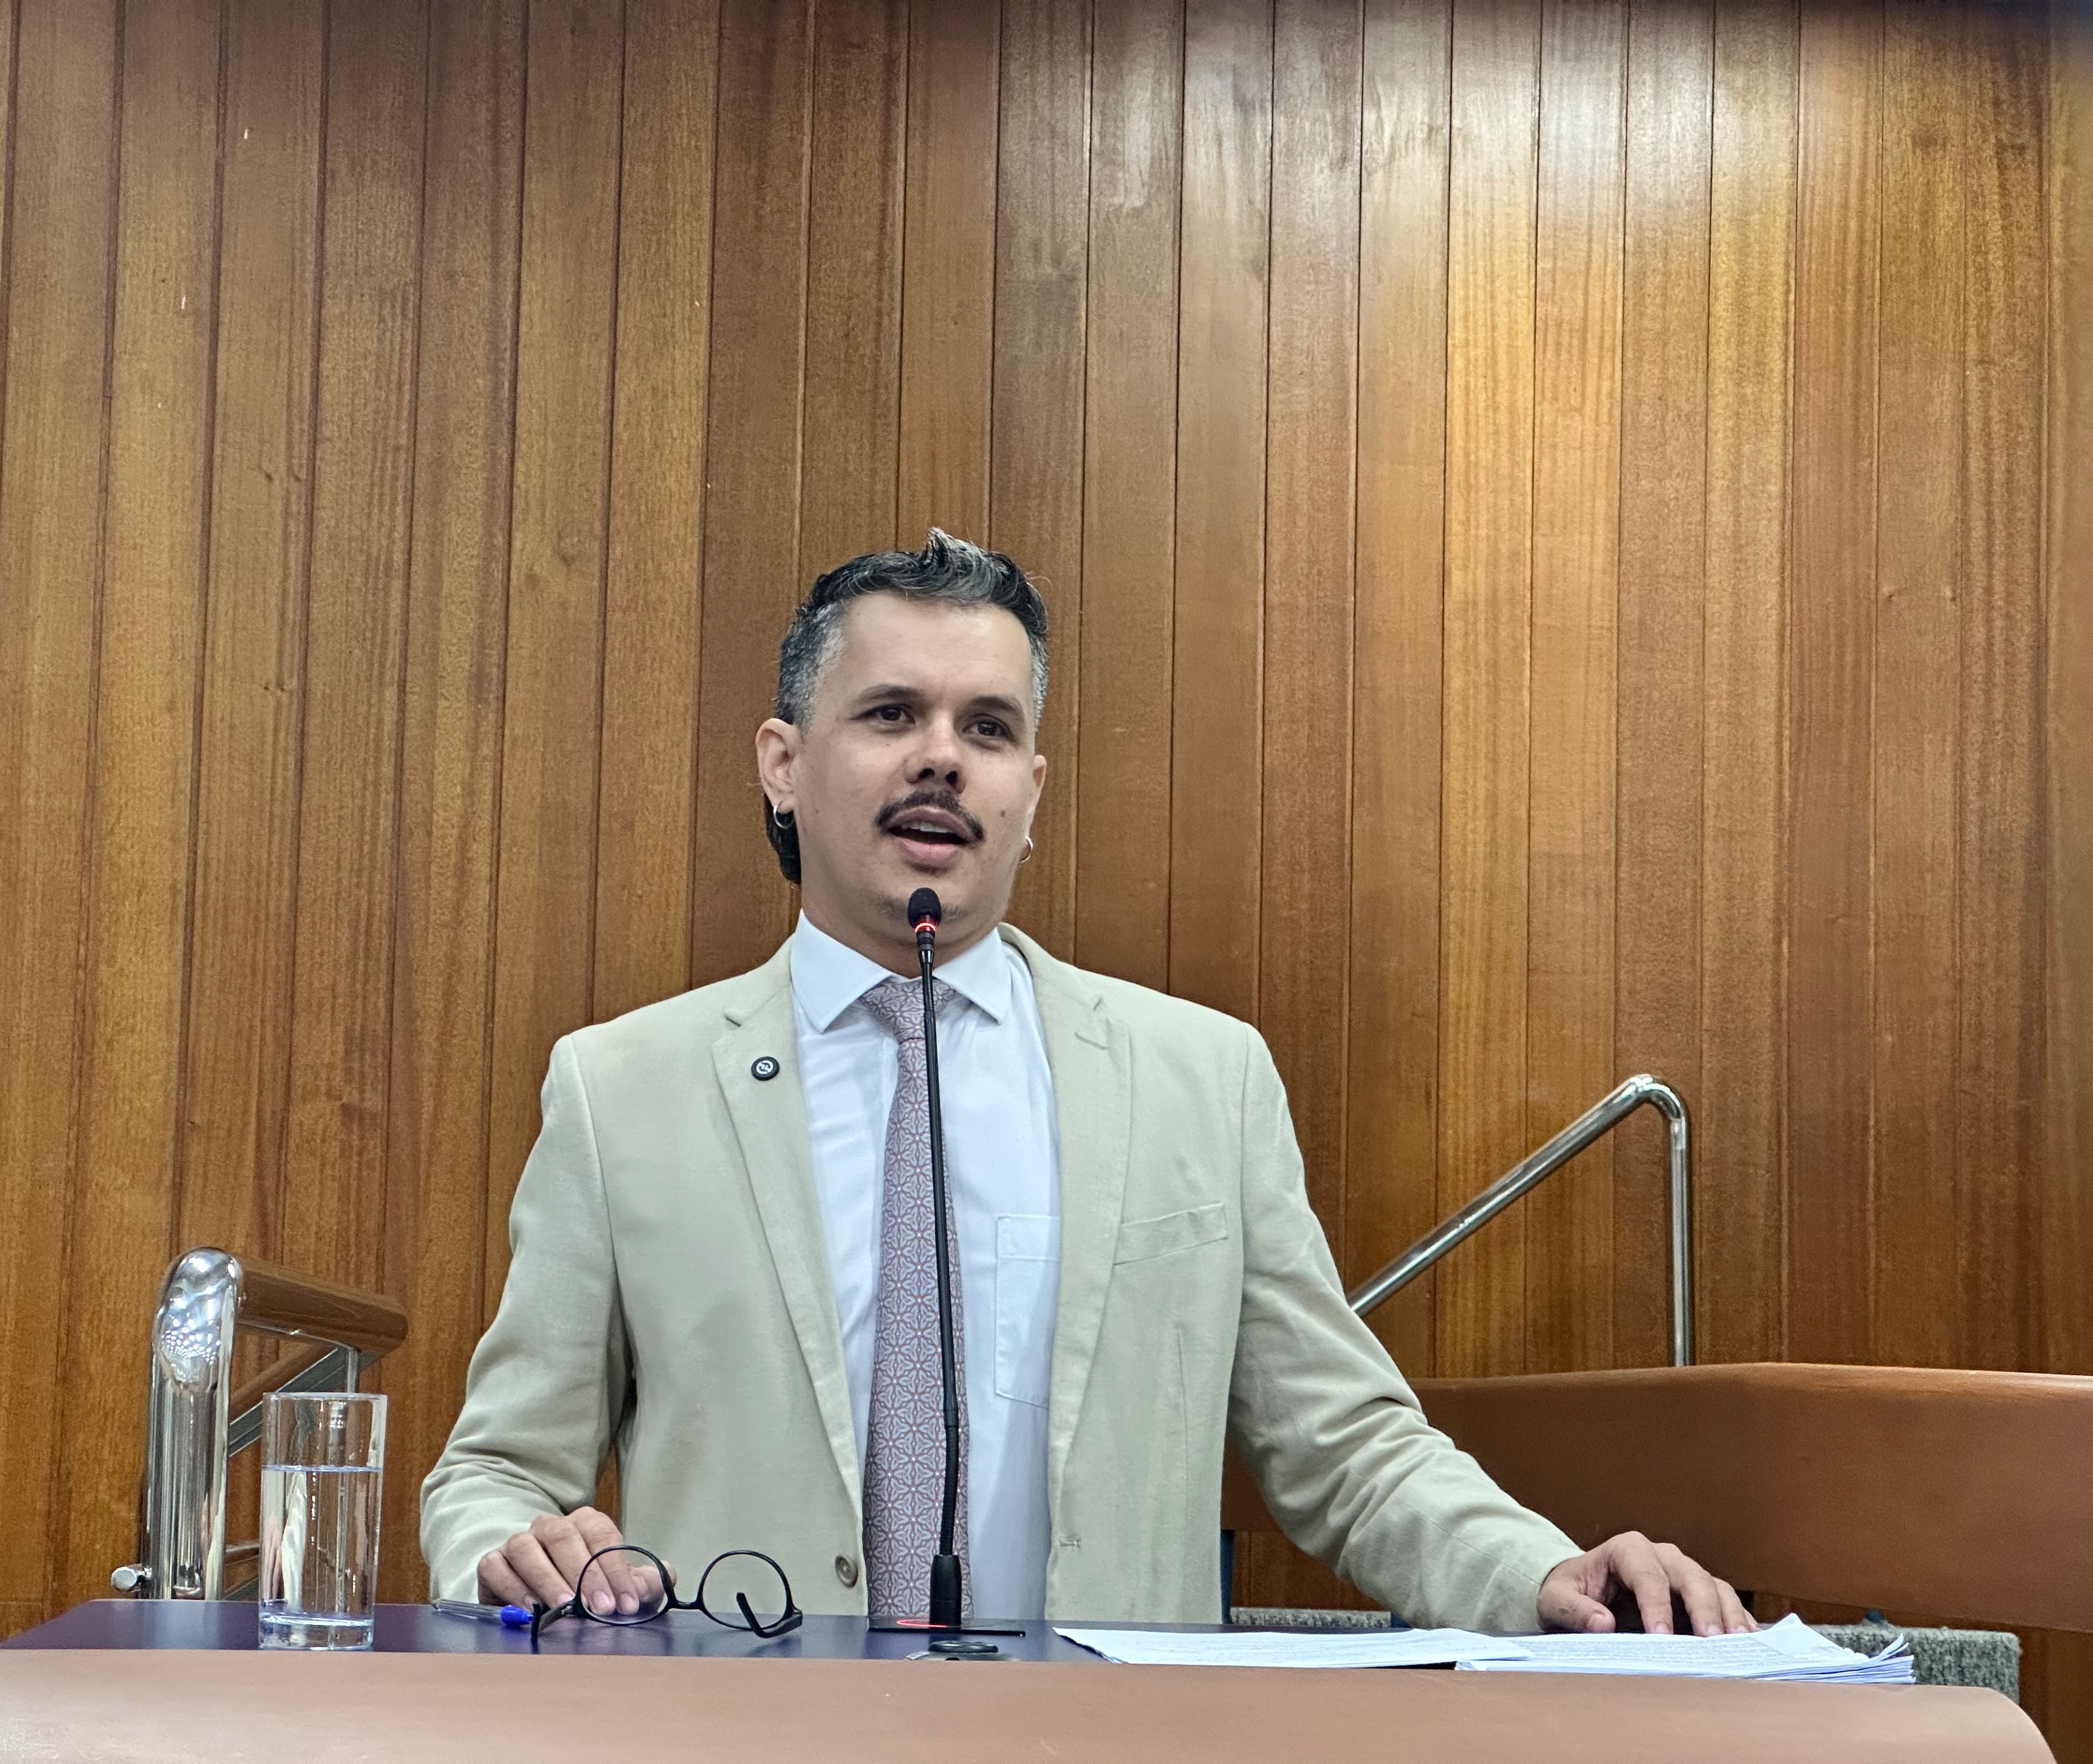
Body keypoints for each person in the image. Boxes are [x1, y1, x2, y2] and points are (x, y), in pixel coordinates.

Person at [420, 531, 1756, 1638]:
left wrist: (1538, 1572)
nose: (941, 756)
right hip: (745, 1732)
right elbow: (497, 1468)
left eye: (988, 728)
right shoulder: (621, 1090)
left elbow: (1346, 1446)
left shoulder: (1200, 1080)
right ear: (782, 762)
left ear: (1031, 788)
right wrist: (512, 1551)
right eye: (890, 714)